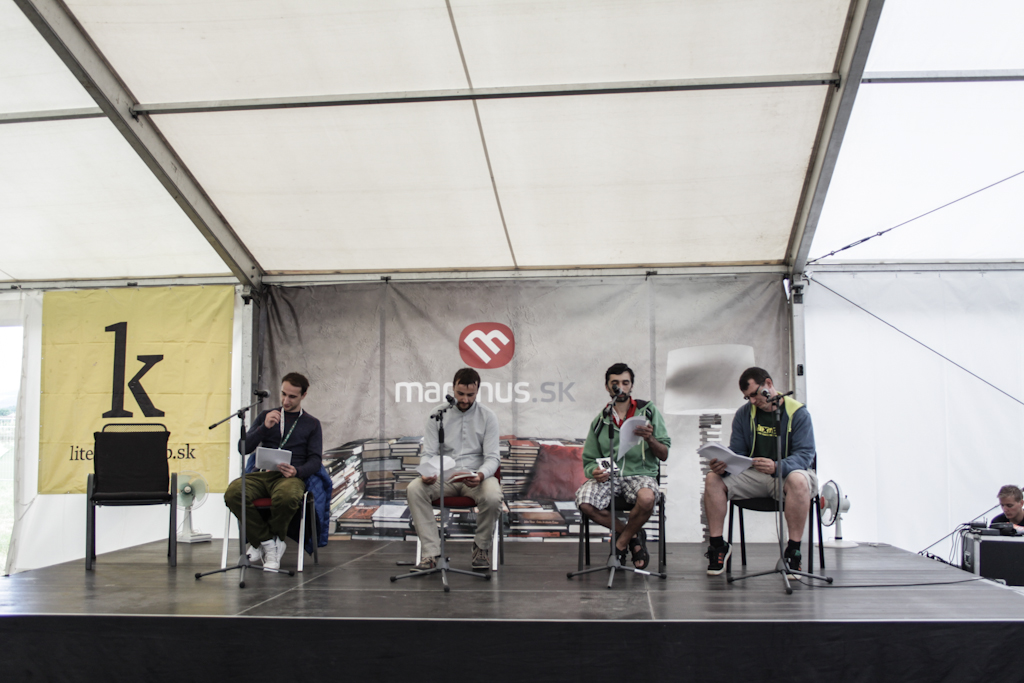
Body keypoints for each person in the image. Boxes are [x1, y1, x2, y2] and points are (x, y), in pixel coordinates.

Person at [703, 367, 817, 576]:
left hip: (788, 475)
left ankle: (793, 552)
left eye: (754, 394)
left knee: (799, 480)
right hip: (755, 476)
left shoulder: (798, 412)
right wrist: (724, 465)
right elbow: (738, 452)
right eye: (748, 397)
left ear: (768, 384)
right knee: (712, 478)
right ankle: (718, 546)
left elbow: (805, 455)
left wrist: (778, 466)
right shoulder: (744, 413)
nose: (753, 401)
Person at [575, 363, 670, 570]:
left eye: (625, 383)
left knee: (647, 498)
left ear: (631, 386)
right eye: (615, 383)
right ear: (607, 387)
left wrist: (650, 439)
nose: (621, 387)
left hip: (641, 475)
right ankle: (633, 536)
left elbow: (664, 454)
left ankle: (619, 544)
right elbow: (589, 460)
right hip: (611, 476)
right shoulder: (600, 421)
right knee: (585, 502)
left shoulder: (648, 411)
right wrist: (594, 472)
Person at [224, 372, 323, 572]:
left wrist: (297, 471)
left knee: (287, 497)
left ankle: (264, 544)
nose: (286, 401)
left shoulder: (312, 424)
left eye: (292, 396)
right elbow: (243, 448)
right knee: (233, 493)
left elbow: (315, 461)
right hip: (261, 474)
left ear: (303, 395)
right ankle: (269, 543)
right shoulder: (266, 416)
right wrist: (263, 427)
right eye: (283, 394)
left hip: (289, 477)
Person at [406, 367, 503, 571]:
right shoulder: (437, 415)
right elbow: (428, 452)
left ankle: (481, 547)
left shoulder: (488, 416)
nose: (465, 399)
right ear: (453, 388)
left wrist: (481, 475)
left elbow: (493, 458)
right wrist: (427, 473)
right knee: (414, 489)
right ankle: (431, 553)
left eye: (470, 395)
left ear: (477, 391)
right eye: (460, 393)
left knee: (493, 496)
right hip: (444, 477)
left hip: (476, 476)